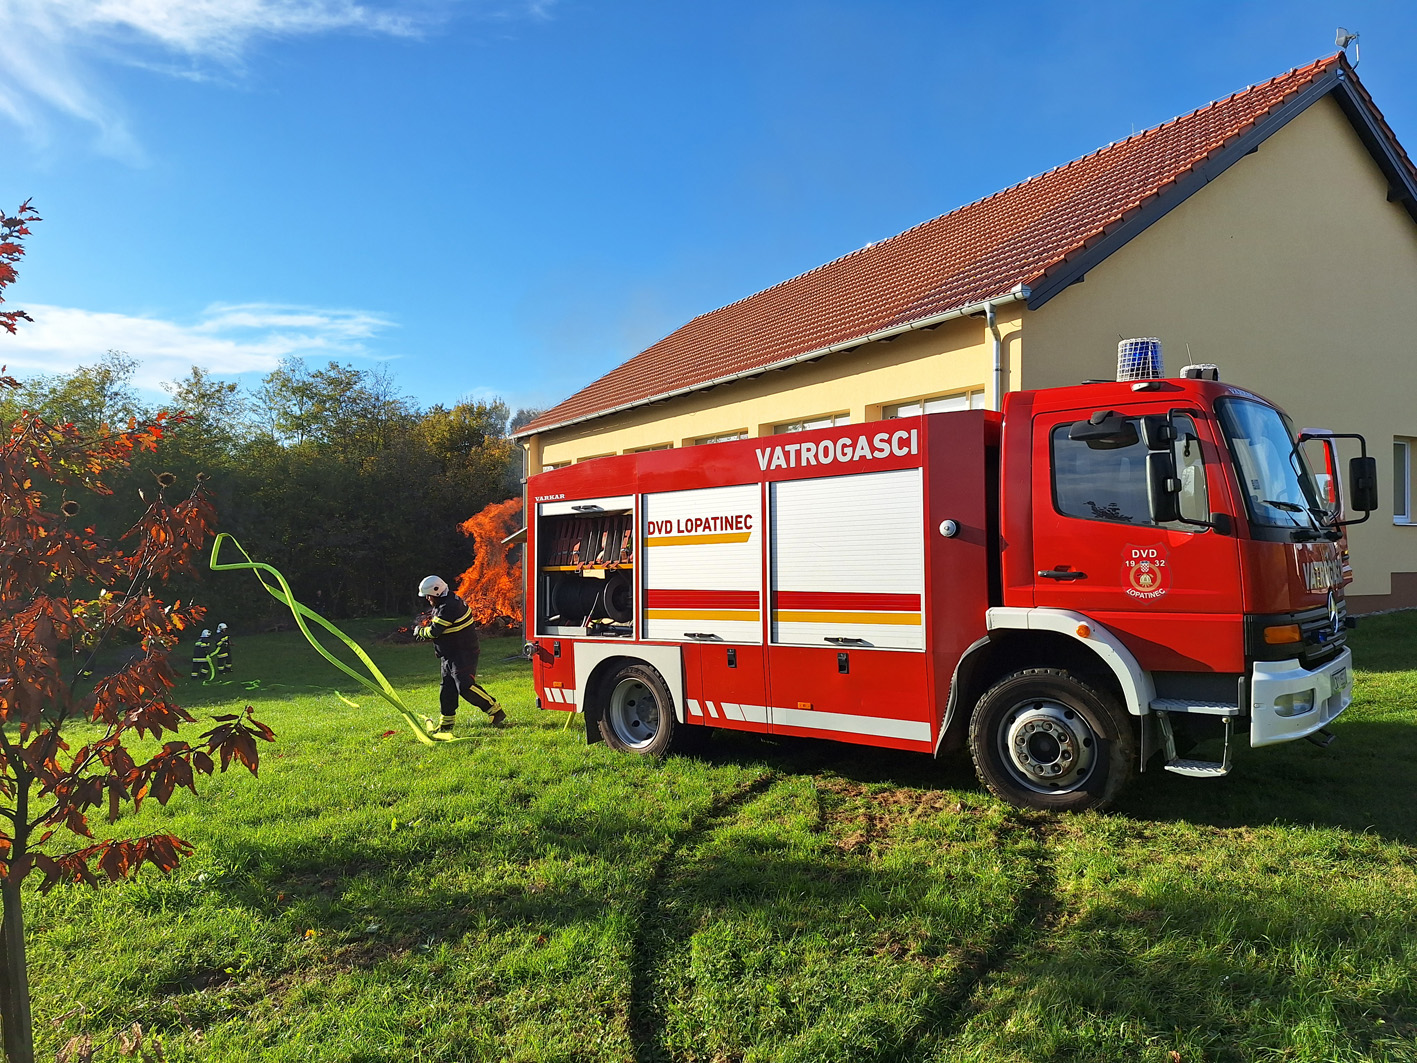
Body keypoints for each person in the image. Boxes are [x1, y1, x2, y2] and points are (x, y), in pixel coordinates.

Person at [414, 575, 506, 733]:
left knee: (465, 686)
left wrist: (419, 631)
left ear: (437, 592)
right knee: (447, 689)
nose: (427, 599)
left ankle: (495, 710)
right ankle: (446, 724)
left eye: (429, 595)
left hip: (463, 653)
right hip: (450, 653)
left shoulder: (448, 607)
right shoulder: (447, 600)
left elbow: (434, 631)